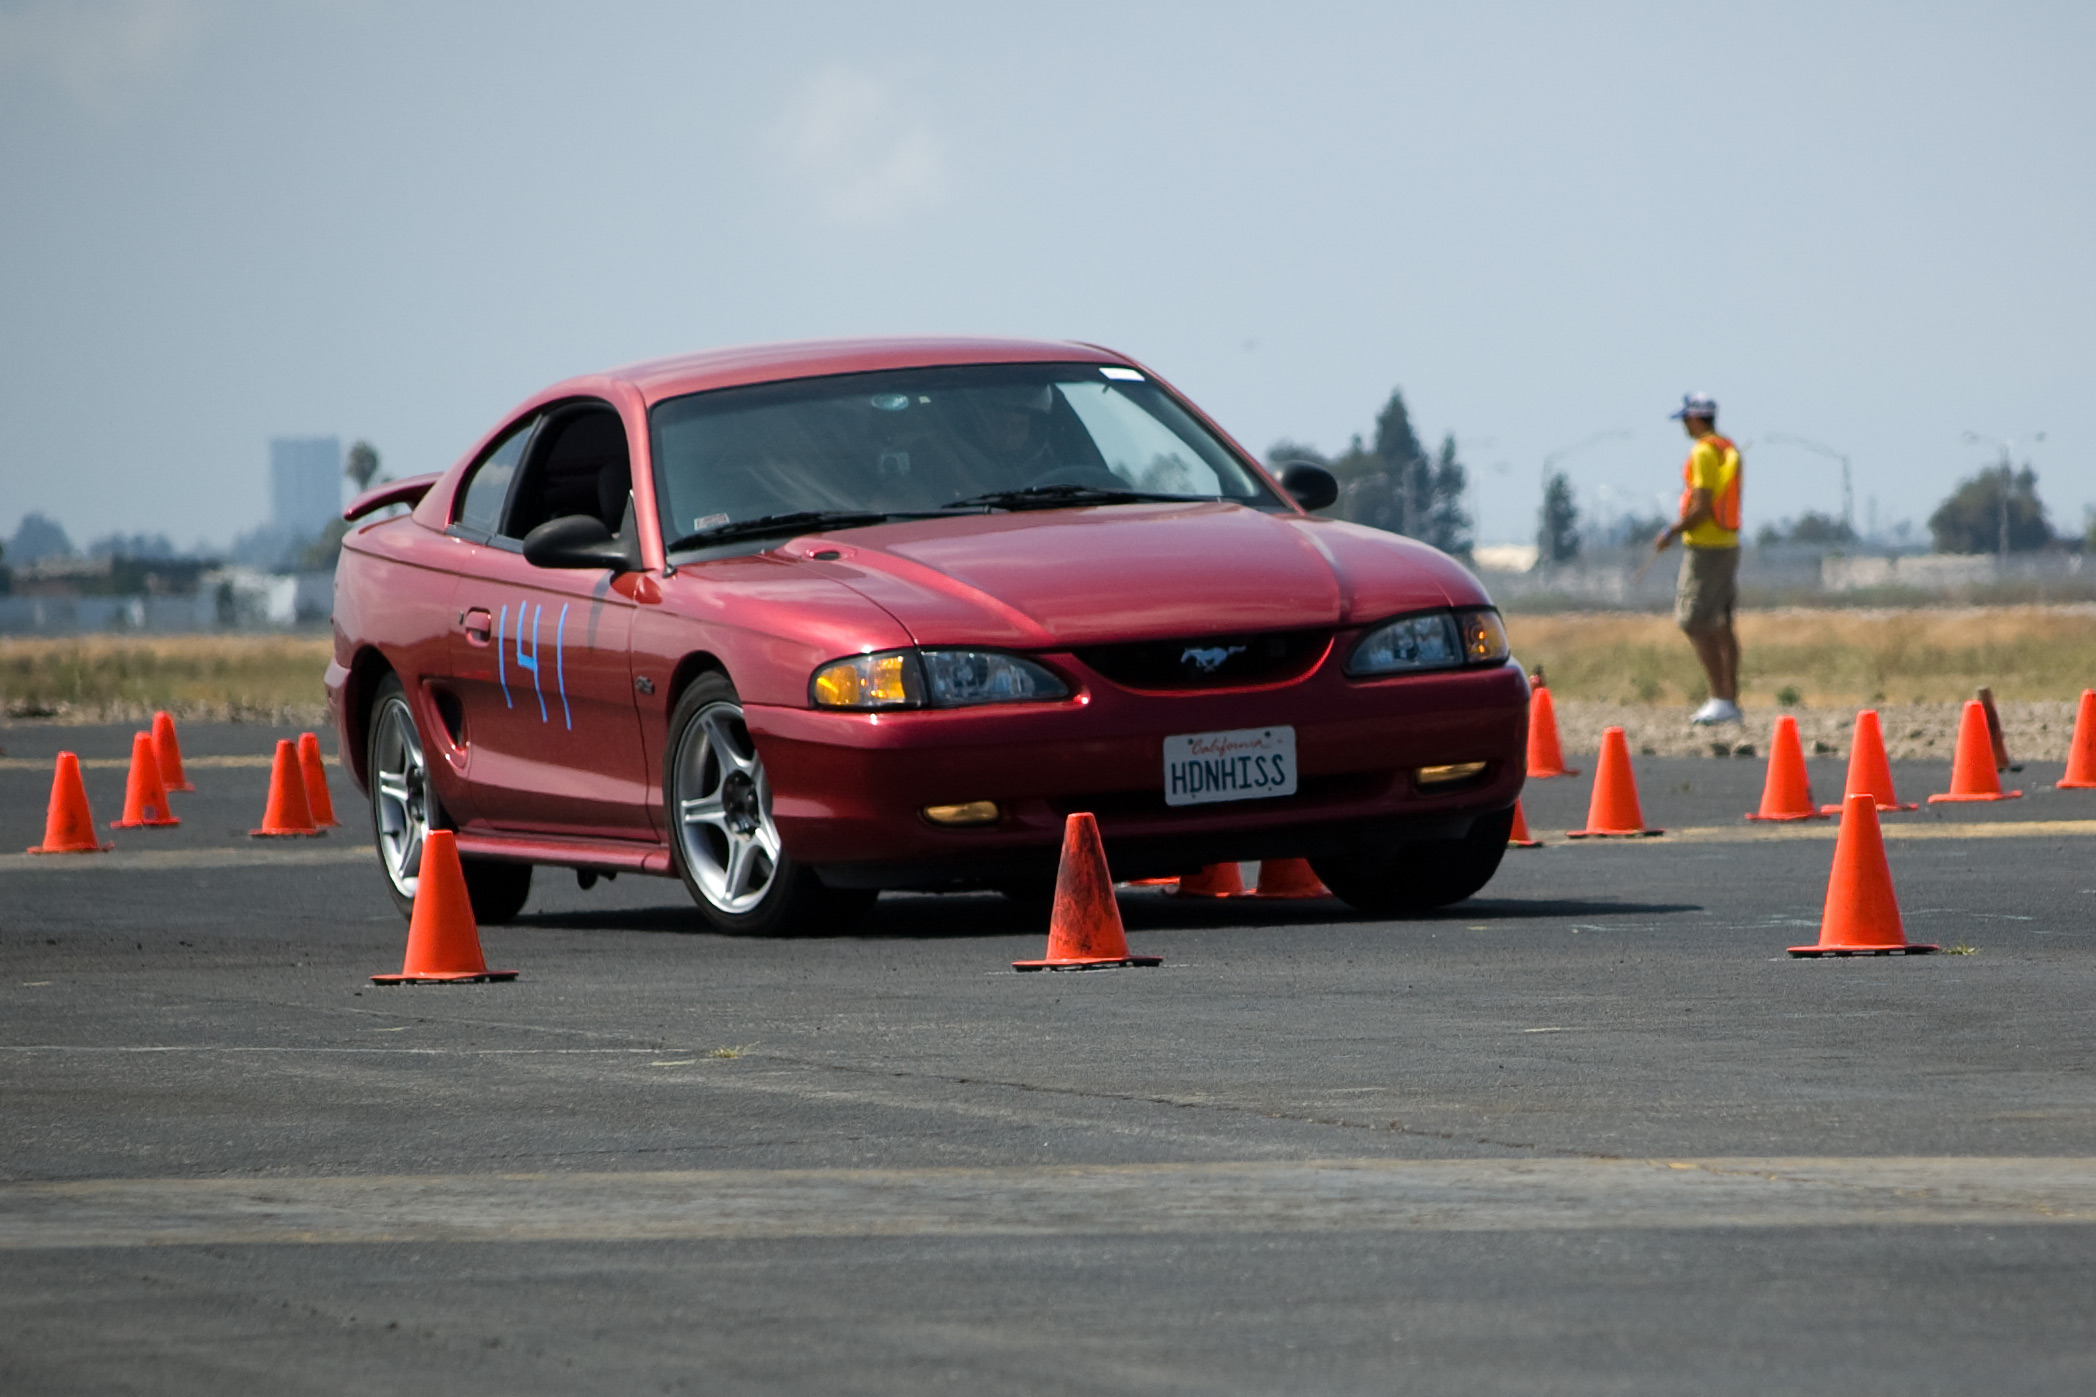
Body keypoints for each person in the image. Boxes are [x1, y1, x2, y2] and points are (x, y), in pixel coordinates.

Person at [1651, 392, 1742, 725]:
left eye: (1686, 420)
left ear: (1695, 419)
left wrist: (1671, 532)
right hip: (1727, 543)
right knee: (1719, 623)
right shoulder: (1726, 448)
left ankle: (1721, 698)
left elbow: (1701, 507)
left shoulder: (1704, 452)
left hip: (1706, 548)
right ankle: (1727, 699)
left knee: (1693, 620)